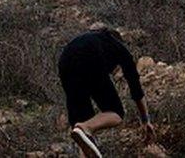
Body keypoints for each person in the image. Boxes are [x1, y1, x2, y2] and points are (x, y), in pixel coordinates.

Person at [58, 27, 155, 158]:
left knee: (82, 128)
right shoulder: (119, 48)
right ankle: (86, 127)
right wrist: (145, 120)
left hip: (65, 61)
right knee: (116, 112)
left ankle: (85, 129)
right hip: (90, 57)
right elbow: (136, 90)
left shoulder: (90, 38)